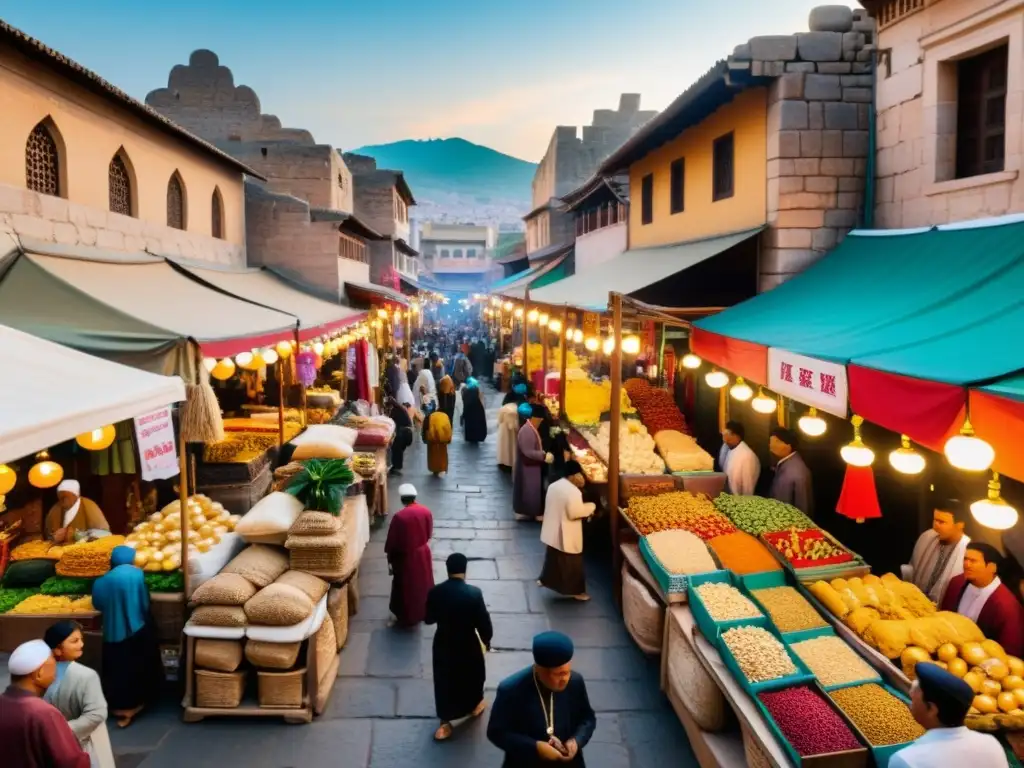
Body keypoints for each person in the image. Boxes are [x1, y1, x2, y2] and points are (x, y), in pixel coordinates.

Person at [487, 631, 596, 766]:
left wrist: (576, 740)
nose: (564, 679)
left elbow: (587, 718)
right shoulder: (511, 690)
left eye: (567, 672)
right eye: (558, 674)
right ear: (540, 670)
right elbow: (497, 732)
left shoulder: (575, 681)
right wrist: (535, 747)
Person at [90, 546, 163, 727]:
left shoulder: (101, 580)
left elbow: (97, 604)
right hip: (139, 627)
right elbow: (144, 599)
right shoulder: (137, 574)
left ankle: (120, 709)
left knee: (117, 669)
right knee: (140, 666)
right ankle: (140, 703)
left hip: (113, 631)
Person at [425, 553, 493, 742]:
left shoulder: (435, 592)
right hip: (467, 642)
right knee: (473, 675)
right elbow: (484, 623)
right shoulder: (474, 593)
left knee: (444, 679)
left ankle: (445, 720)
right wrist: (487, 640)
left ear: (447, 570)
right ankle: (474, 704)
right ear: (464, 570)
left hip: (443, 641)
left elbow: (429, 619)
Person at [890, 662, 1008, 767]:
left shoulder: (906, 760)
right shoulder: (991, 745)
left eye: (914, 698)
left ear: (932, 709)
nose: (911, 702)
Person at [0, 639, 90, 768]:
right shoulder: (44, 713)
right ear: (39, 674)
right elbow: (71, 762)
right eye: (53, 667)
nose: (55, 675)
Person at [43, 620, 116, 768]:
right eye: (74, 641)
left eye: (81, 640)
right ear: (57, 649)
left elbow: (96, 714)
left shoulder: (85, 676)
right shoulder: (42, 672)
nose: (81, 645)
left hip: (79, 742)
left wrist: (59, 732)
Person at [940, 543, 1024, 657]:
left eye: (973, 561)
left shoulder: (1007, 606)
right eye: (965, 559)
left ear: (992, 567)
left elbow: (1010, 653)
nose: (966, 564)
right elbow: (942, 617)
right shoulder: (956, 583)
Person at [538, 461, 596, 601]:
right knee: (571, 563)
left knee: (552, 558)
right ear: (573, 475)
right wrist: (591, 507)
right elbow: (574, 513)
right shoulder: (573, 491)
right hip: (566, 531)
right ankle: (575, 591)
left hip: (553, 528)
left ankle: (545, 580)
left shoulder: (554, 485)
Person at [901, 499, 971, 604]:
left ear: (960, 524)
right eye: (935, 520)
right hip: (915, 604)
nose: (935, 526)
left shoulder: (968, 550)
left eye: (941, 522)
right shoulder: (927, 536)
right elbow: (912, 568)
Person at [384, 484, 434, 627]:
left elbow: (392, 542)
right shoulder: (426, 511)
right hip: (423, 553)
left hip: (405, 557)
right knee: (423, 583)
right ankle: (424, 610)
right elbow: (429, 533)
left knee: (405, 586)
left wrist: (390, 559)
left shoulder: (399, 517)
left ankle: (405, 615)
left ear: (402, 499)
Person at [514, 403, 553, 521]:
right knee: (530, 489)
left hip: (531, 465)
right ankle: (533, 511)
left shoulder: (530, 428)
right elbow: (528, 451)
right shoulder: (527, 431)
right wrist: (543, 456)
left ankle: (532, 510)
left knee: (531, 489)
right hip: (529, 467)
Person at [45, 480, 109, 544]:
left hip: (84, 550)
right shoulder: (55, 510)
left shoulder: (89, 505)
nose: (63, 500)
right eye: (61, 497)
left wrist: (77, 535)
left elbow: (106, 533)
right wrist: (54, 537)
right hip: (59, 551)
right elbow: (47, 536)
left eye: (66, 496)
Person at [768, 427, 813, 516]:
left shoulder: (795, 472)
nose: (771, 445)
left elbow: (803, 508)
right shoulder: (787, 463)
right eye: (771, 442)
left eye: (777, 441)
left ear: (789, 446)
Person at [717, 421, 760, 496]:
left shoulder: (747, 456)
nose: (725, 439)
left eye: (728, 435)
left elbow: (748, 487)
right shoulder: (729, 448)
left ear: (737, 436)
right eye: (724, 435)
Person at [387, 395, 414, 476]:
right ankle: (396, 466)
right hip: (407, 433)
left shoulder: (396, 410)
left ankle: (396, 467)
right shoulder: (400, 409)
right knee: (398, 450)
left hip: (404, 433)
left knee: (397, 448)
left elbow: (390, 421)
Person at [423, 406, 453, 475]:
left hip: (432, 438)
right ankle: (442, 468)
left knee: (433, 454)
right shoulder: (445, 416)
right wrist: (448, 439)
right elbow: (448, 428)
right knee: (442, 453)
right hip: (443, 438)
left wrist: (425, 439)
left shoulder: (430, 416)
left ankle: (434, 469)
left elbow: (425, 428)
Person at [461, 380, 488, 444]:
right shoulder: (477, 398)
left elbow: (465, 407)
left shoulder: (466, 393)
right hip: (476, 422)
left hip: (469, 420)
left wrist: (463, 416)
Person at [497, 401, 520, 471]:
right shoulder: (517, 409)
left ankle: (504, 461)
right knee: (512, 446)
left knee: (504, 446)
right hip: (513, 430)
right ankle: (512, 461)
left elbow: (499, 420)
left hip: (504, 429)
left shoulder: (503, 408)